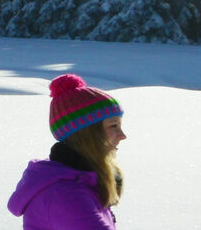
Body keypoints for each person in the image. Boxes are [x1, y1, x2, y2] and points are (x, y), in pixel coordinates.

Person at [8, 74, 127, 229]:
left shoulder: (82, 180)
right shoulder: (66, 194)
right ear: (87, 133)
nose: (122, 135)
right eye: (113, 126)